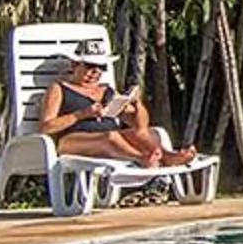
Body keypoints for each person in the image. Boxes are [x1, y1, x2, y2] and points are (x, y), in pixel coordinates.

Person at [37, 49, 195, 170]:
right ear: (74, 65)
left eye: (101, 67)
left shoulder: (107, 91)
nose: (96, 72)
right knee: (110, 137)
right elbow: (46, 127)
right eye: (90, 66)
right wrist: (82, 114)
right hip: (72, 140)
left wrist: (136, 104)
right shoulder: (60, 88)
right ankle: (141, 158)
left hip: (111, 138)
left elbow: (139, 125)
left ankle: (168, 156)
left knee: (146, 133)